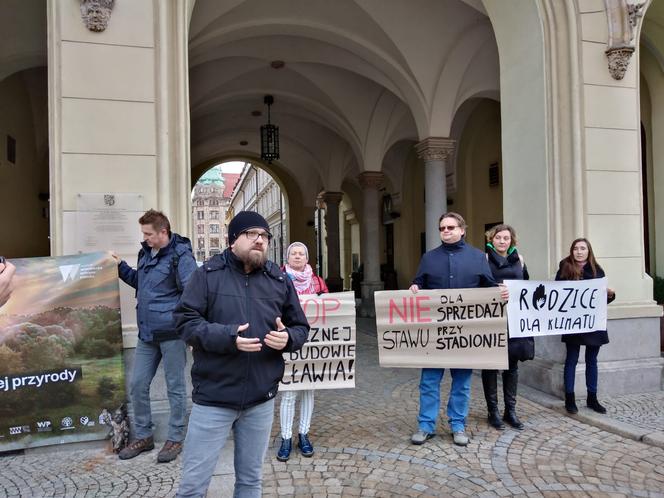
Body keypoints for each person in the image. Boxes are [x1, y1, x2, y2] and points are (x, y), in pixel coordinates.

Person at [174, 211, 309, 498]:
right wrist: (228, 337)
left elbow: (300, 327)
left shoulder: (279, 280)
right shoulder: (207, 275)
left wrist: (287, 339)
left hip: (260, 399)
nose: (260, 240)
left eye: (265, 236)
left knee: (250, 482)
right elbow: (186, 322)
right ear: (233, 239)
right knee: (193, 486)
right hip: (214, 397)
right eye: (252, 234)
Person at [409, 212, 507, 447]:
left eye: (451, 227)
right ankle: (425, 425)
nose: (446, 231)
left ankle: (458, 424)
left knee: (462, 382)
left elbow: (489, 287)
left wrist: (500, 292)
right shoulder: (429, 258)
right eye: (442, 228)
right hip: (435, 334)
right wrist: (414, 287)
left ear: (462, 230)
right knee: (429, 381)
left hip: (465, 335)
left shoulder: (477, 257)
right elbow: (418, 283)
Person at [112, 209, 197, 463]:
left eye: (148, 234)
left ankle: (175, 438)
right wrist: (120, 267)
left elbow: (191, 294)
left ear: (163, 232)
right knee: (138, 385)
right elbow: (143, 283)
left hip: (172, 333)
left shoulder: (181, 255)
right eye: (143, 234)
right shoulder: (146, 252)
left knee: (175, 388)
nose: (145, 238)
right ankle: (144, 436)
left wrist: (190, 329)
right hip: (147, 334)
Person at [276, 242, 328, 462]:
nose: (297, 257)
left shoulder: (317, 281)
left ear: (307, 259)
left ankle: (303, 434)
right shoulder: (278, 279)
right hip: (289, 341)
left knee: (308, 390)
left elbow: (330, 309)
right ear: (287, 258)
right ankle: (286, 437)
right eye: (293, 254)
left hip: (312, 345)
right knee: (288, 392)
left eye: (301, 254)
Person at [481, 224, 534, 431]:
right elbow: (478, 285)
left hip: (515, 318)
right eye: (498, 238)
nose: (502, 241)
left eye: (506, 238)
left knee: (512, 365)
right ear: (491, 240)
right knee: (491, 365)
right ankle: (492, 411)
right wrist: (496, 290)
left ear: (512, 241)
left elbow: (527, 286)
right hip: (492, 318)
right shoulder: (484, 260)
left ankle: (510, 411)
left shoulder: (520, 260)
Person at [556, 238, 615, 415]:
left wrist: (610, 295)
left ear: (589, 251)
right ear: (571, 250)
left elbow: (601, 299)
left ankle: (592, 398)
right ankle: (570, 398)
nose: (579, 252)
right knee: (571, 359)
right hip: (574, 323)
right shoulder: (565, 267)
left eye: (583, 248)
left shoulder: (597, 270)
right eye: (576, 248)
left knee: (592, 360)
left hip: (592, 323)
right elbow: (558, 294)